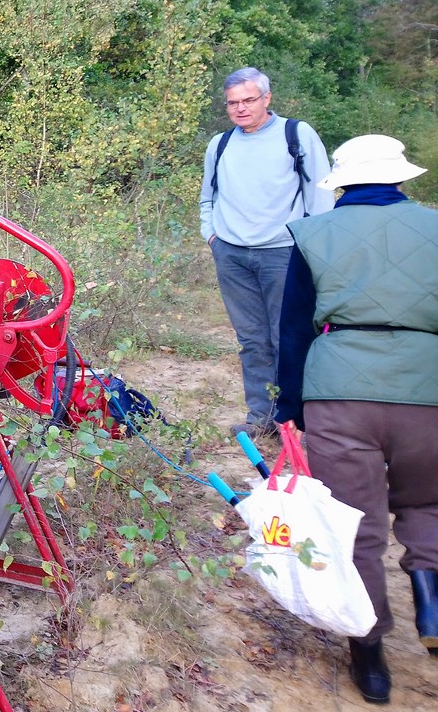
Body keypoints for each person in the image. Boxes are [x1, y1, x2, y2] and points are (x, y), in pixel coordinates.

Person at [273, 134, 438, 705]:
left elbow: (293, 331)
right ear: (399, 178)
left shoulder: (314, 234)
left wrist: (288, 410)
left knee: (357, 527)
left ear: (339, 182)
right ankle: (430, 603)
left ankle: (370, 656)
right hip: (428, 391)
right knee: (428, 505)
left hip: (339, 393)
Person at [198, 67, 332, 438]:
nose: (241, 109)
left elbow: (320, 197)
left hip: (285, 254)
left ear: (267, 98)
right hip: (232, 255)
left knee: (289, 335)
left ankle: (298, 420)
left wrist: (313, 250)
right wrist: (211, 235)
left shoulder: (296, 134)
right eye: (233, 103)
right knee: (252, 340)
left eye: (248, 100)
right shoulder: (220, 144)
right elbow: (208, 196)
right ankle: (261, 416)